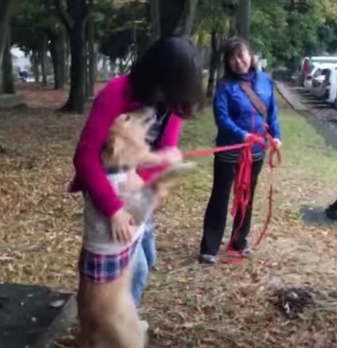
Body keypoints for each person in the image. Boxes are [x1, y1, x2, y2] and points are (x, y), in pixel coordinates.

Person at [68, 37, 203, 312]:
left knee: (147, 257)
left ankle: (110, 317)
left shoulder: (174, 103)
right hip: (109, 191)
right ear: (159, 74)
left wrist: (156, 172)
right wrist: (114, 208)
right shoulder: (117, 93)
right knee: (131, 269)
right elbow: (84, 156)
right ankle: (110, 327)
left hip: (138, 192)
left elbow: (166, 148)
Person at [198, 37, 282, 265]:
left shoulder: (265, 81)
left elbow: (271, 113)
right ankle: (210, 246)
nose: (238, 61)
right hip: (230, 149)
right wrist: (242, 135)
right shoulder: (225, 86)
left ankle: (239, 240)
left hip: (256, 151)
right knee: (220, 196)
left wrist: (276, 136)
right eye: (232, 57)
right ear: (227, 62)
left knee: (246, 196)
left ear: (250, 55)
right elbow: (222, 117)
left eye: (241, 55)